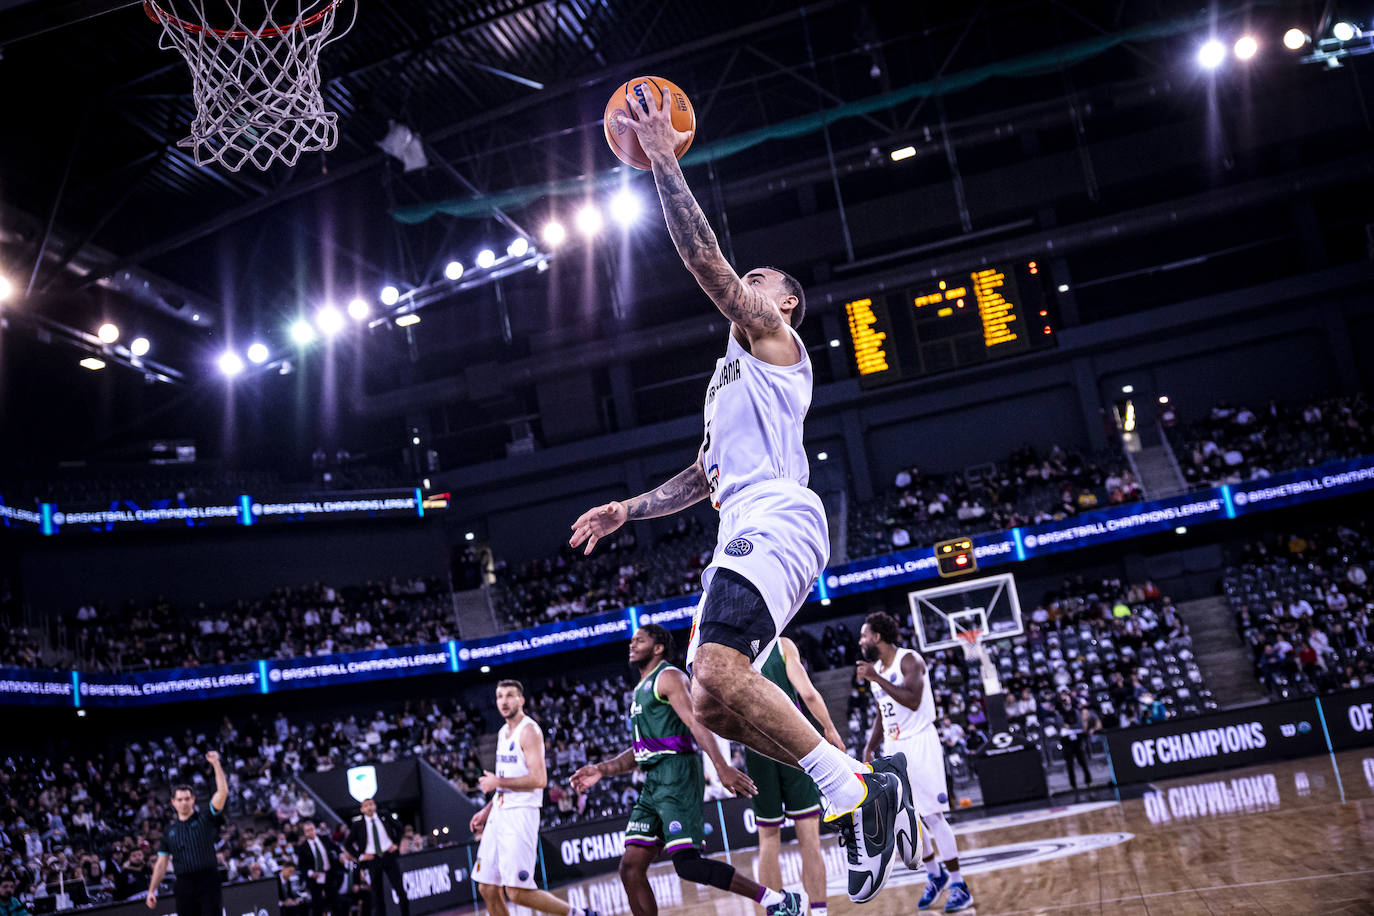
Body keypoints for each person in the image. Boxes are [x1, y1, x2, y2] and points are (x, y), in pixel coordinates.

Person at [570, 82, 906, 905]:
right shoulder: (731, 383)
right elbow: (703, 474)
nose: (744, 285)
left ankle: (851, 792)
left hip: (779, 517)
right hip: (742, 520)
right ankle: (857, 780)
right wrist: (631, 509)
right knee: (716, 701)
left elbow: (703, 261)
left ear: (783, 303)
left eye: (759, 280)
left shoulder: (773, 336)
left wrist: (660, 160)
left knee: (717, 667)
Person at [569, 626, 800, 916]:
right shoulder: (640, 689)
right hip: (653, 781)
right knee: (630, 867)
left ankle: (776, 901)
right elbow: (641, 749)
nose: (632, 644)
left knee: (688, 865)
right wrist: (602, 769)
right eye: (632, 640)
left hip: (677, 776)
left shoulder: (669, 677)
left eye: (639, 640)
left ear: (658, 648)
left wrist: (721, 767)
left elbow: (695, 722)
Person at [858, 614, 973, 913]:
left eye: (864, 636)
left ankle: (959, 884)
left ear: (878, 637)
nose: (860, 642)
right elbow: (884, 712)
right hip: (895, 745)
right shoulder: (879, 670)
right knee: (908, 818)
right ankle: (936, 875)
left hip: (920, 741)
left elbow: (911, 699)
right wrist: (870, 746)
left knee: (933, 816)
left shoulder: (909, 661)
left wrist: (876, 678)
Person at [470, 680, 597, 916]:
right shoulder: (502, 732)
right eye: (499, 696)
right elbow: (505, 779)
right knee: (487, 887)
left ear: (522, 700)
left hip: (520, 814)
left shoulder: (529, 730)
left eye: (510, 696)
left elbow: (539, 779)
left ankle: (580, 914)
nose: (504, 701)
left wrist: (497, 782)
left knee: (517, 892)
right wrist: (487, 810)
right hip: (500, 812)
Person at [748, 638, 844, 916]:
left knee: (768, 838)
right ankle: (819, 911)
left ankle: (775, 911)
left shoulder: (735, 648)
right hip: (793, 741)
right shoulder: (782, 645)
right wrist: (830, 729)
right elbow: (808, 694)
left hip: (756, 746)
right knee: (809, 836)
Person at [146, 751, 228, 916]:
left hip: (208, 881)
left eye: (187, 799)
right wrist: (152, 890)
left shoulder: (205, 817)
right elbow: (161, 863)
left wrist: (216, 764)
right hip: (184, 884)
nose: (184, 802)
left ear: (193, 800)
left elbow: (222, 793)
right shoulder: (169, 831)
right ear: (173, 802)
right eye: (180, 799)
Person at [345, 799, 409, 916]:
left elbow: (400, 827)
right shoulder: (358, 825)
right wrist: (360, 856)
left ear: (375, 806)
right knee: (377, 895)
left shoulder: (384, 816)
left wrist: (396, 844)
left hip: (388, 856)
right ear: (362, 810)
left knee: (400, 890)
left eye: (371, 804)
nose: (369, 807)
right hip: (372, 860)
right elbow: (347, 844)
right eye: (366, 806)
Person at [294, 822, 337, 916]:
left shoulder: (324, 839)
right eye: (307, 831)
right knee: (317, 905)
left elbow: (336, 849)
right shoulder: (302, 847)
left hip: (329, 874)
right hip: (315, 878)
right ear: (305, 833)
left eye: (312, 829)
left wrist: (341, 855)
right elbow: (301, 866)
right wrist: (310, 873)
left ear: (315, 829)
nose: (310, 832)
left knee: (334, 902)